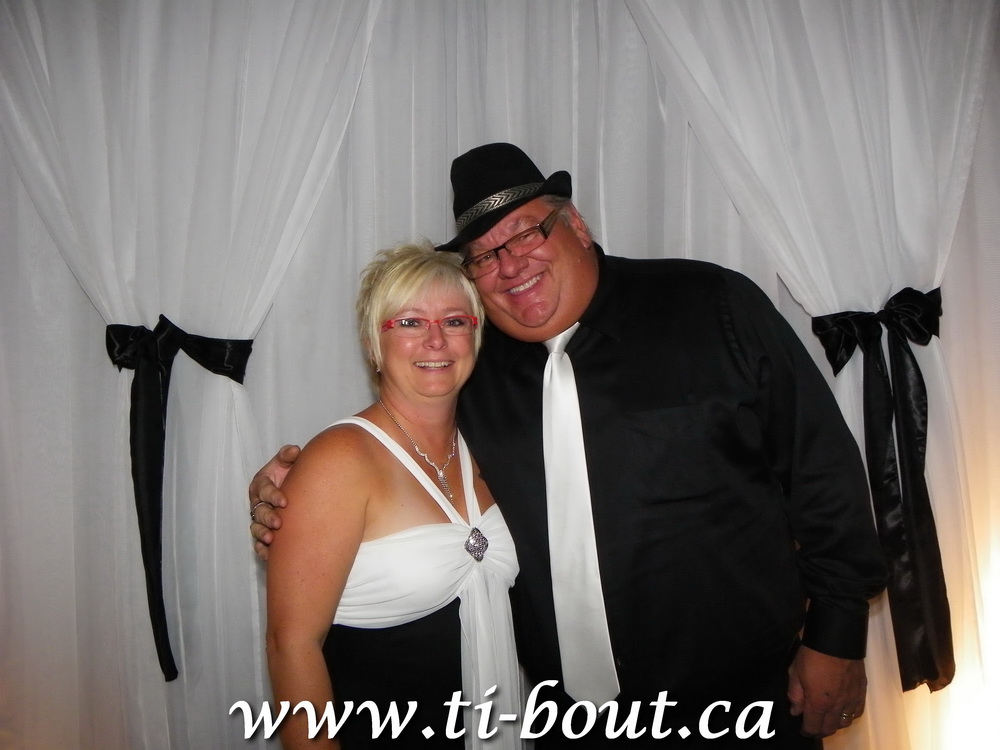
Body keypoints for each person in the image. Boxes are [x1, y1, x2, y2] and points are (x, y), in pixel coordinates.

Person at [252, 144, 887, 748]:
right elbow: (399, 453)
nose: (509, 265)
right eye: (483, 255)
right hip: (564, 724)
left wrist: (836, 633)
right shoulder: (473, 370)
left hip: (739, 702)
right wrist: (295, 492)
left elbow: (822, 468)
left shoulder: (710, 306)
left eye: (526, 233)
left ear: (576, 224)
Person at [263, 241, 521, 749]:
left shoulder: (491, 444)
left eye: (454, 321)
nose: (435, 340)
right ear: (372, 344)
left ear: (476, 335)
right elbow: (290, 646)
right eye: (409, 322)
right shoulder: (340, 459)